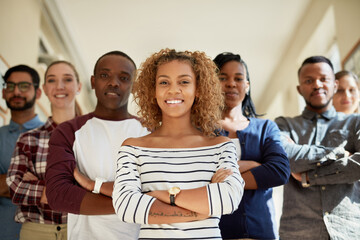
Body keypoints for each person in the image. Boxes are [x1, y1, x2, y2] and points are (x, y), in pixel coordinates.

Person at [111, 49, 244, 239]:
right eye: (164, 82)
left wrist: (162, 195)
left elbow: (228, 199)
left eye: (184, 82)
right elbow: (127, 207)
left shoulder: (222, 146)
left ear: (198, 90)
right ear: (153, 90)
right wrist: (201, 210)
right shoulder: (133, 148)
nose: (173, 90)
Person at [45, 51, 149, 240]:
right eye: (104, 75)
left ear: (134, 86)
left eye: (124, 78)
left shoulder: (151, 132)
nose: (113, 83)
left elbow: (158, 188)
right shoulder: (68, 131)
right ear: (93, 82)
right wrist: (134, 203)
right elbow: (58, 194)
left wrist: (92, 186)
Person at [275, 56, 360, 240]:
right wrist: (338, 153)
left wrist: (308, 176)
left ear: (335, 84)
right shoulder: (283, 125)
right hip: (298, 232)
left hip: (349, 230)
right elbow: (287, 157)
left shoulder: (355, 123)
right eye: (308, 80)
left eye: (323, 79)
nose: (317, 84)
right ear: (299, 89)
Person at [213, 52, 290, 239]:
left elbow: (279, 172)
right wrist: (256, 166)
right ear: (211, 84)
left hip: (261, 231)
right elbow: (198, 175)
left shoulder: (265, 127)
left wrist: (225, 178)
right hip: (215, 231)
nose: (231, 83)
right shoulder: (199, 130)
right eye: (223, 78)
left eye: (238, 78)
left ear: (246, 86)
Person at [6, 61, 82, 240]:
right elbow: (15, 187)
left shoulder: (93, 137)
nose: (59, 86)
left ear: (78, 87)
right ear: (45, 89)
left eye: (67, 79)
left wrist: (40, 187)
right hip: (36, 232)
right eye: (52, 80)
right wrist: (76, 186)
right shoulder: (28, 139)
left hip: (81, 230)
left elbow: (100, 188)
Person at [0, 65, 43, 240]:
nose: (16, 91)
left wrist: (6, 180)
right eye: (10, 86)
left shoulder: (56, 135)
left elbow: (59, 190)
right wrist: (35, 185)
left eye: (24, 86)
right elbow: (44, 189)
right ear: (3, 93)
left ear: (38, 93)